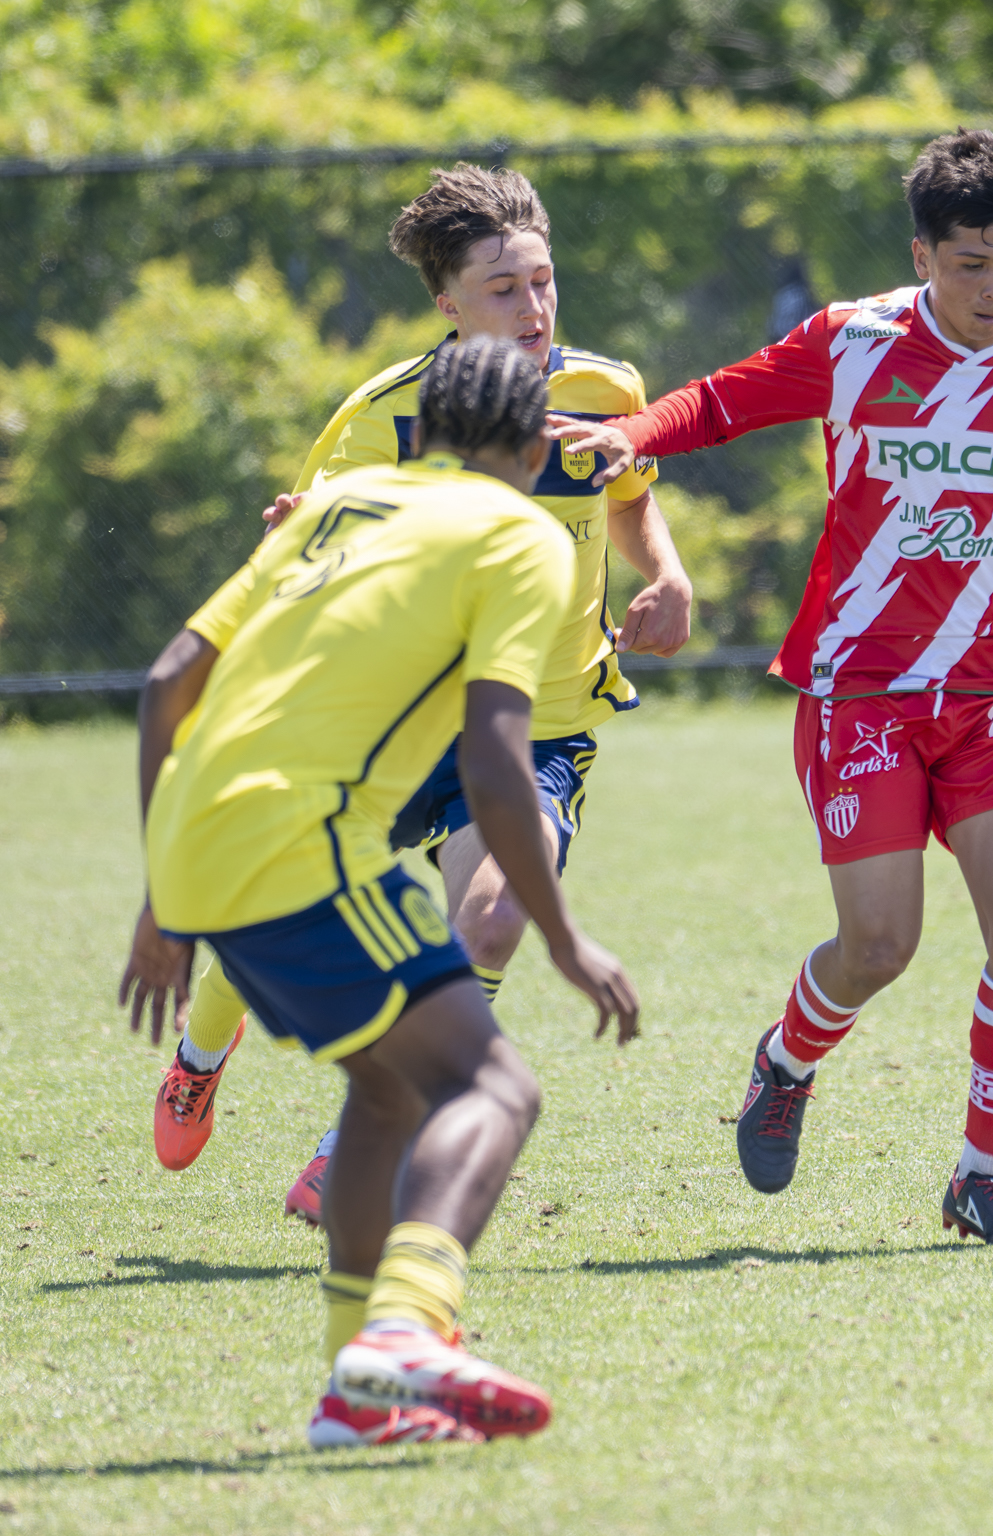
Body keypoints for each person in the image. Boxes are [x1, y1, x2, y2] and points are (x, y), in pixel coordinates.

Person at [553, 130, 993, 1244]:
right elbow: (715, 402)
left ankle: (980, 1184)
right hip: (860, 692)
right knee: (878, 948)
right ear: (922, 253)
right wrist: (627, 433)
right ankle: (787, 1060)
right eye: (969, 266)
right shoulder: (853, 343)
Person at [121, 336, 640, 1448]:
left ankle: (355, 1399)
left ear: (428, 428)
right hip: (305, 841)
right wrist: (562, 938)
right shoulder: (520, 537)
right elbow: (501, 765)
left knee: (388, 1090)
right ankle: (408, 1327)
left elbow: (170, 681)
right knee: (492, 1086)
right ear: (528, 441)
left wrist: (162, 891)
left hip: (208, 830)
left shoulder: (341, 501)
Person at [149, 164, 692, 1225]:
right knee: (273, 904)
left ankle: (361, 1140)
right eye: (502, 288)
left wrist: (665, 575)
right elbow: (310, 547)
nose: (533, 308)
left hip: (541, 720)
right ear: (445, 303)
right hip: (390, 724)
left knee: (489, 923)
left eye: (542, 281)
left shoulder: (603, 390)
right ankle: (200, 1052)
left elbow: (627, 496)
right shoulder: (378, 419)